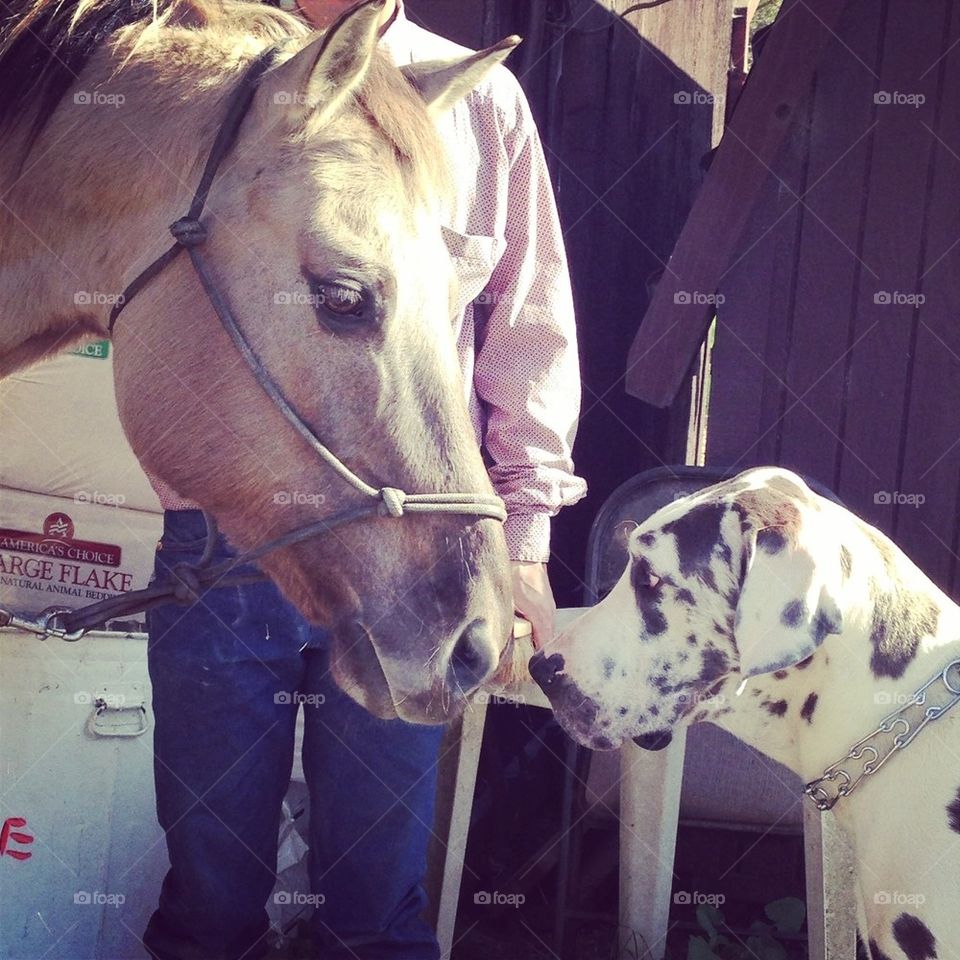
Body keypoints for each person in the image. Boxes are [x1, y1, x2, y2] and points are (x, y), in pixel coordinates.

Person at [142, 2, 586, 958]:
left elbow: (527, 333)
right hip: (225, 550)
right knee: (207, 914)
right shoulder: (202, 83)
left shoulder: (481, 104)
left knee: (375, 916)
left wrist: (526, 543)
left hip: (410, 553)